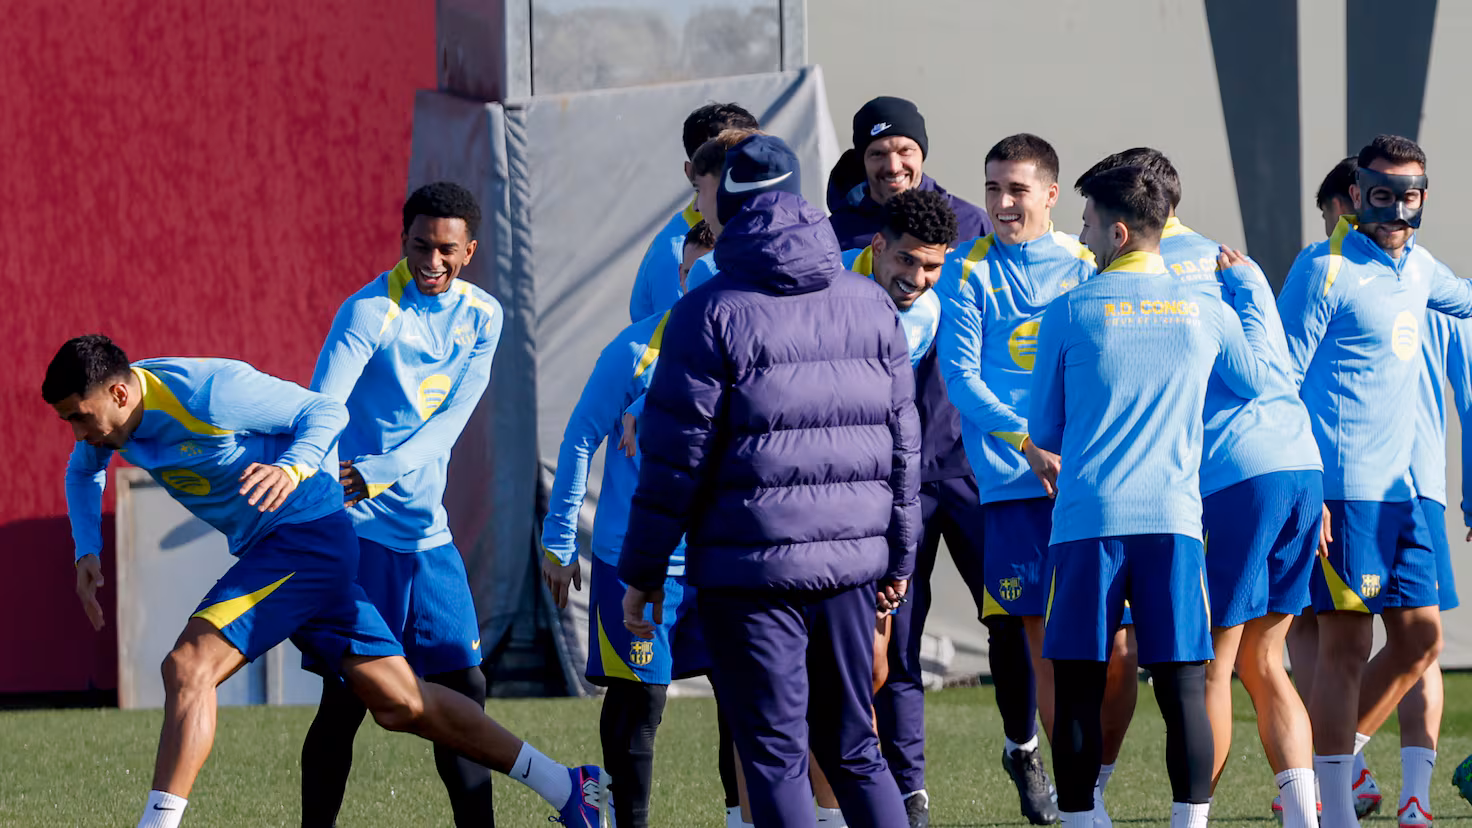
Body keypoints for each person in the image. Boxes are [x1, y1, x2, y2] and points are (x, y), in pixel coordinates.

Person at [47, 335, 605, 828]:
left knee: (189, 666)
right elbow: (82, 471)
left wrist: (291, 467)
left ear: (119, 393)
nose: (78, 432)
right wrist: (86, 549)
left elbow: (324, 411)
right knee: (400, 703)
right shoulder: (109, 424)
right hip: (288, 548)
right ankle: (566, 785)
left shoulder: (208, 393)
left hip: (305, 537)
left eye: (80, 417)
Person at [619, 132, 920, 828]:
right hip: (848, 568)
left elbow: (674, 461)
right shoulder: (871, 303)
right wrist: (899, 558)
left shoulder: (707, 311)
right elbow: (904, 447)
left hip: (749, 571)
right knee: (856, 749)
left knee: (776, 756)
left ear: (727, 204)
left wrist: (643, 570)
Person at [1077, 148, 1324, 828]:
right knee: (1265, 661)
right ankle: (1309, 819)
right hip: (1300, 466)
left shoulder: (1132, 272)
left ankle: (1193, 820)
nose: (1084, 231)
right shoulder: (1235, 263)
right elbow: (1278, 375)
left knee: (1210, 664)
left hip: (1232, 476)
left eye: (1091, 216)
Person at [1031, 165, 1273, 828]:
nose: (1082, 237)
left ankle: (1080, 821)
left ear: (1117, 232)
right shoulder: (1209, 310)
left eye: (1086, 224)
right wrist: (1249, 294)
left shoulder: (1068, 310)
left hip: (1087, 523)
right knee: (1184, 688)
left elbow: (1044, 430)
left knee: (1079, 686)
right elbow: (1259, 380)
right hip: (1174, 523)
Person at [1277, 134, 1472, 828]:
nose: (1395, 209)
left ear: (1423, 197)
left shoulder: (1420, 268)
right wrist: (1306, 489)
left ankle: (1318, 767)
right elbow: (1279, 381)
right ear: (1357, 194)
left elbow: (1467, 301)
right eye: (1381, 194)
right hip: (1342, 490)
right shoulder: (1322, 267)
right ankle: (1334, 811)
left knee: (1421, 641)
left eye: (1408, 196)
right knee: (1347, 647)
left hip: (1405, 494)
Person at [294, 182, 503, 826]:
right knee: (345, 704)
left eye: (446, 250)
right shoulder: (367, 312)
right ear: (403, 240)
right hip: (360, 538)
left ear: (469, 251)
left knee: (465, 697)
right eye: (420, 246)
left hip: (429, 540)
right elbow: (322, 408)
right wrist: (318, 488)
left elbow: (450, 424)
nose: (431, 262)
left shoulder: (484, 316)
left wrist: (377, 472)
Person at [936, 133, 1098, 825]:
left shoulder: (1086, 263)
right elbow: (960, 378)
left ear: (1051, 195)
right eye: (993, 188)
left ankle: (1090, 783)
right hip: (1011, 484)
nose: (1002, 202)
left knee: (1104, 646)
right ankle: (1064, 787)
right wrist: (1027, 443)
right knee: (1036, 642)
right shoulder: (966, 268)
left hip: (1085, 485)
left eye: (1017, 189)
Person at [540, 220, 718, 828]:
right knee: (641, 700)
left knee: (743, 701)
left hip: (724, 559)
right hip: (636, 560)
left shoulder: (752, 351)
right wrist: (559, 541)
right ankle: (621, 817)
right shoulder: (633, 349)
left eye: (714, 274)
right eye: (691, 273)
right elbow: (579, 437)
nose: (699, 286)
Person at [841, 186, 974, 828]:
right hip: (815, 496)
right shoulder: (827, 282)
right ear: (876, 246)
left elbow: (891, 418)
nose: (918, 280)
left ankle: (885, 788)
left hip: (877, 495)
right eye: (907, 261)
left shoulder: (927, 312)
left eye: (932, 266)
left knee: (879, 651)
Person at [629, 102, 759, 322]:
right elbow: (684, 338)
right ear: (692, 173)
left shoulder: (761, 229)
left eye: (754, 160)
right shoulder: (676, 254)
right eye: (721, 167)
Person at [826, 96, 990, 251]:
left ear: (922, 154)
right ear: (863, 160)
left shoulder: (973, 225)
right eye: (878, 154)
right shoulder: (832, 234)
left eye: (905, 151)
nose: (893, 167)